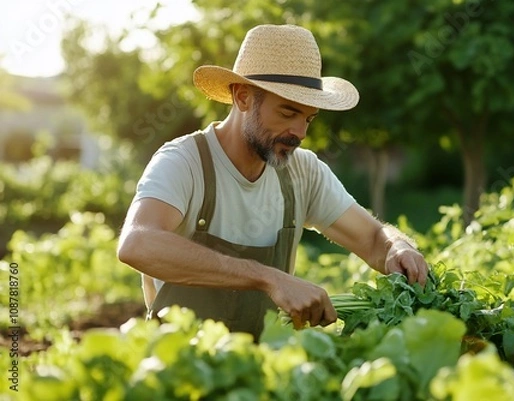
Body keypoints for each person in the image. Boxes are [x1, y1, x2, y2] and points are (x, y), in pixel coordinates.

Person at [117, 24, 428, 339]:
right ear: (242, 98)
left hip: (263, 373)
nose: (300, 133)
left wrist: (397, 247)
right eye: (288, 112)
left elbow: (374, 238)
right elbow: (138, 243)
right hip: (180, 368)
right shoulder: (184, 162)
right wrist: (268, 277)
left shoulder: (303, 172)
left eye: (308, 118)